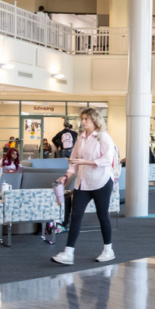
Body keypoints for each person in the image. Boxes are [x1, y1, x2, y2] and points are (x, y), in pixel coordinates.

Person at [51, 108, 116, 266]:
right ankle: (68, 253)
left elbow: (108, 160)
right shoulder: (80, 137)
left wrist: (85, 162)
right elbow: (74, 159)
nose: (83, 121)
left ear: (94, 120)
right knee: (75, 215)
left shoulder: (103, 137)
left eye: (86, 118)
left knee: (102, 215)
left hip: (101, 181)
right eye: (82, 118)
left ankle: (108, 250)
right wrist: (67, 175)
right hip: (83, 182)